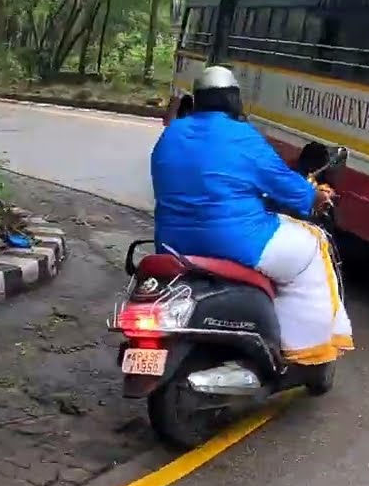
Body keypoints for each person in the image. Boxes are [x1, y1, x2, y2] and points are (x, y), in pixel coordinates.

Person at [150, 65, 354, 365]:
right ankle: (303, 349)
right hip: (237, 242)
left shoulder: (172, 134)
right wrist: (315, 196)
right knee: (313, 247)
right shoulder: (243, 137)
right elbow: (288, 187)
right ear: (234, 100)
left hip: (173, 245)